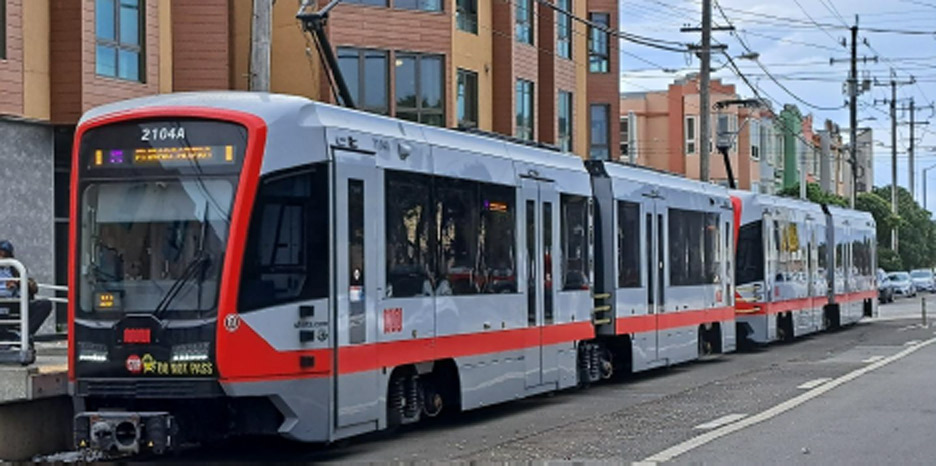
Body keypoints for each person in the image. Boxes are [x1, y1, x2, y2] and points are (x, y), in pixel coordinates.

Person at [0, 240, 54, 342]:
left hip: (15, 303)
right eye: (0, 253)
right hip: (2, 303)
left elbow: (33, 287)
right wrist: (6, 288)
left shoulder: (15, 268)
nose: (2, 257)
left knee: (45, 304)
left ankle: (22, 336)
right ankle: (10, 335)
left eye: (6, 254)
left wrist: (18, 283)